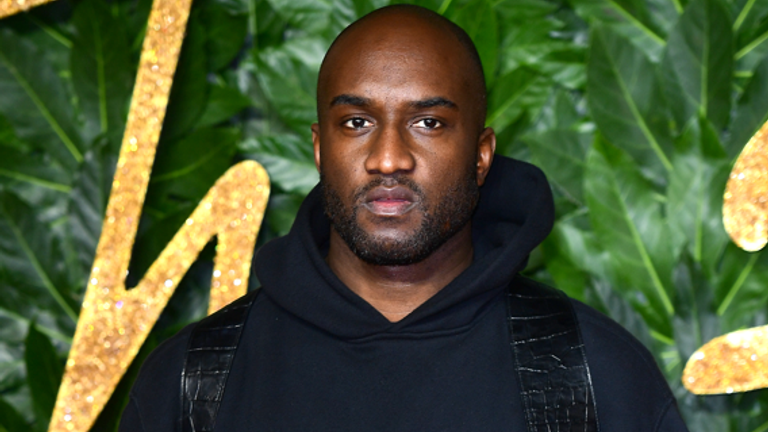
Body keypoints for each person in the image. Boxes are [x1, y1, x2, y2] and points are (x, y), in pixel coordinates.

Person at [119, 5, 689, 431]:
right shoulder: (193, 382)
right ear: (319, 150)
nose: (388, 157)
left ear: (482, 154)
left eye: (429, 123)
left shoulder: (594, 375)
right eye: (357, 123)